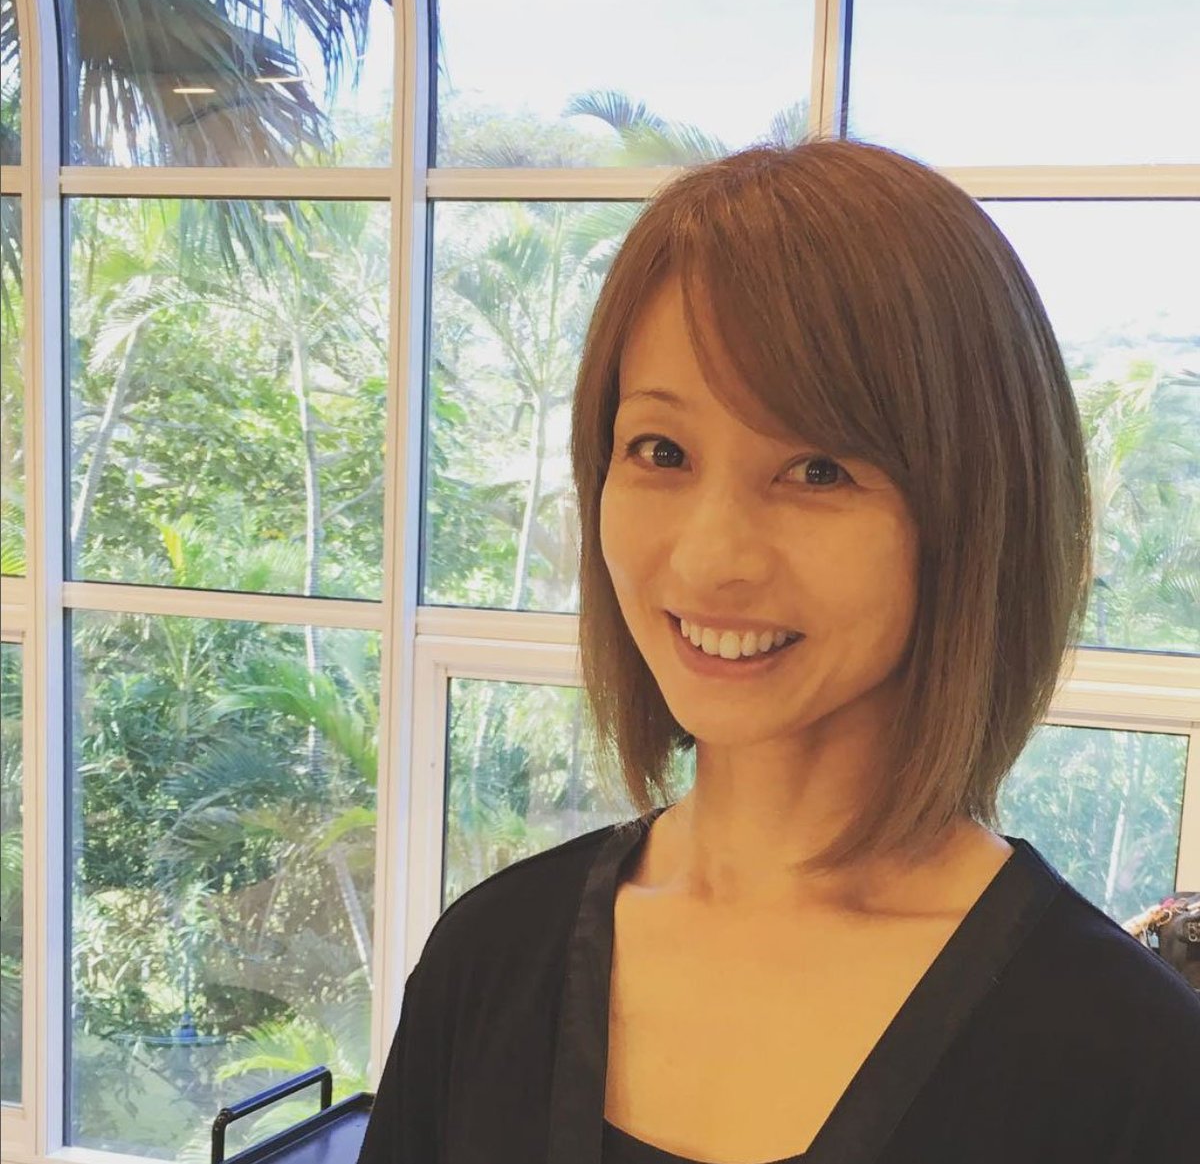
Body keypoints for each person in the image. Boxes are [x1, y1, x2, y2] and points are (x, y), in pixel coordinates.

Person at [356, 139, 1200, 1164]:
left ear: (977, 511)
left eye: (817, 469)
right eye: (661, 451)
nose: (710, 558)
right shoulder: (492, 958)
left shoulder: (1132, 1066)